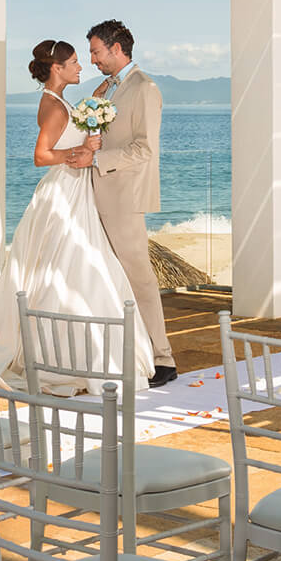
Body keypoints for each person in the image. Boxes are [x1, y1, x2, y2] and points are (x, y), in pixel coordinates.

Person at [0, 39, 154, 393]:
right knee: (76, 266)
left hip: (74, 189)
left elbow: (71, 124)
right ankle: (72, 358)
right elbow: (41, 156)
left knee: (73, 267)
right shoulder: (55, 108)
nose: (80, 66)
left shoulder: (57, 100)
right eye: (73, 62)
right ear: (57, 68)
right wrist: (81, 150)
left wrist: (98, 99)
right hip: (65, 191)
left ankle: (70, 353)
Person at [87, 20, 177, 387]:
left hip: (124, 196)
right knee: (108, 277)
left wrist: (96, 159)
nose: (92, 60)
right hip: (97, 193)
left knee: (139, 278)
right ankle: (127, 352)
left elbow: (144, 148)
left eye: (96, 52)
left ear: (116, 49)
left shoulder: (144, 88)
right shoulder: (109, 88)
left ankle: (163, 359)